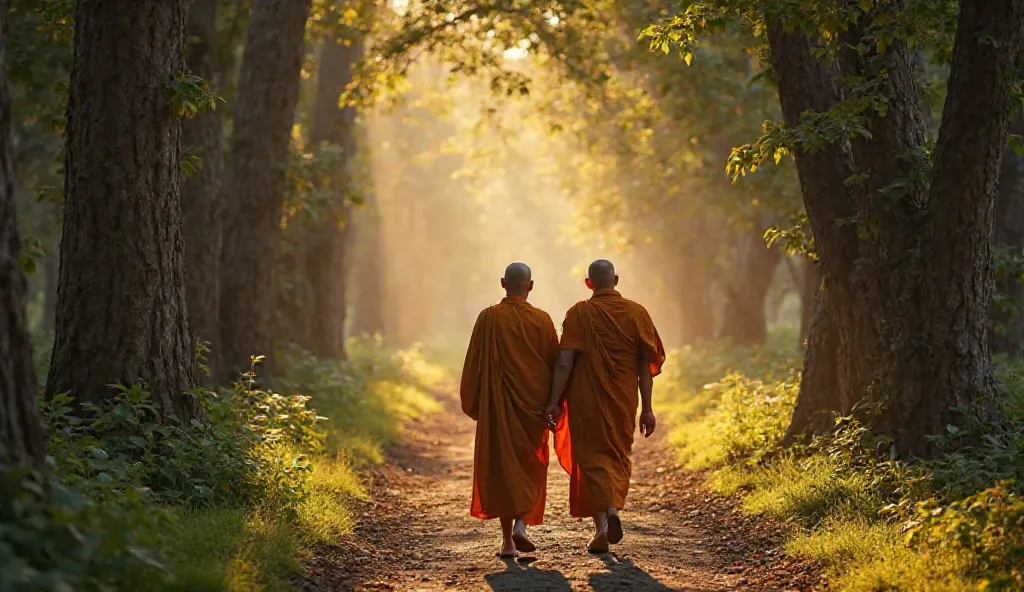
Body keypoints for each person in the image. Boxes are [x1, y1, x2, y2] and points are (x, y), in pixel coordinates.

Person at [545, 258, 666, 553]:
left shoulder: (579, 313)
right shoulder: (637, 313)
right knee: (617, 454)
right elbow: (645, 366)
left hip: (587, 396)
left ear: (589, 283)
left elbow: (564, 362)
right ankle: (610, 513)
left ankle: (602, 524)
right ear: (617, 280)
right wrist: (647, 408)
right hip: (624, 397)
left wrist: (552, 401)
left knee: (590, 457)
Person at [460, 261, 561, 558]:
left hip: (499, 406)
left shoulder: (488, 318)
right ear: (530, 286)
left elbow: (473, 364)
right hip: (535, 406)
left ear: (503, 283)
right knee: (530, 464)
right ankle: (521, 525)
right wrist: (555, 402)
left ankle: (507, 541)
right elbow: (555, 364)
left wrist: (475, 402)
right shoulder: (542, 320)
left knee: (503, 467)